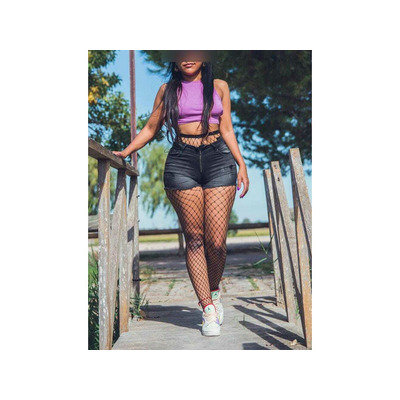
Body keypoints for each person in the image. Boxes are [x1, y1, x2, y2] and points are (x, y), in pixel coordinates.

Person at [113, 60, 250, 337]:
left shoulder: (219, 87)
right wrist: (126, 152)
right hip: (182, 162)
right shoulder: (167, 91)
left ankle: (213, 291)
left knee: (216, 243)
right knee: (195, 239)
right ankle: (208, 309)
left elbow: (227, 129)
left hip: (218, 159)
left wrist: (242, 163)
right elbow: (151, 128)